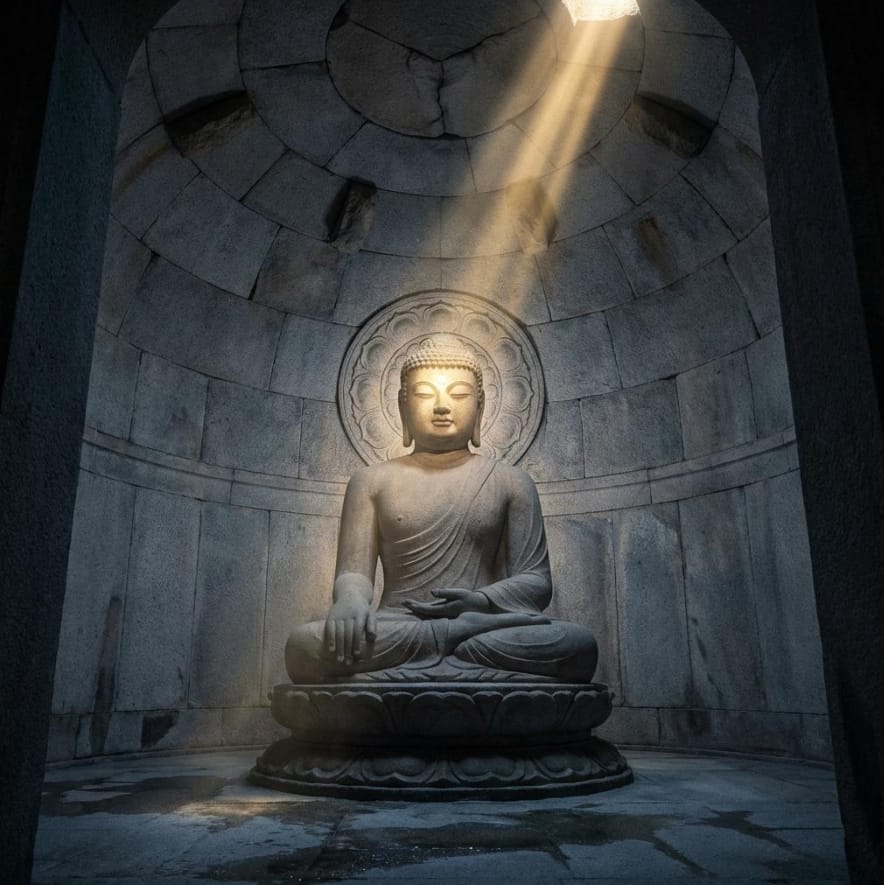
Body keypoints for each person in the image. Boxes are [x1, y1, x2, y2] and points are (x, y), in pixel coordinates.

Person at [285, 335, 598, 682]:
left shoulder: (511, 481)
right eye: (424, 394)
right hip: (398, 627)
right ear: (403, 406)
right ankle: (455, 655)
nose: (442, 406)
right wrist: (350, 600)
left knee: (578, 646)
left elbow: (536, 581)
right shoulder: (371, 481)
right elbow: (355, 572)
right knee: (303, 648)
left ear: (480, 405)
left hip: (482, 627)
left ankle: (436, 659)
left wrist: (479, 602)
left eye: (459, 394)